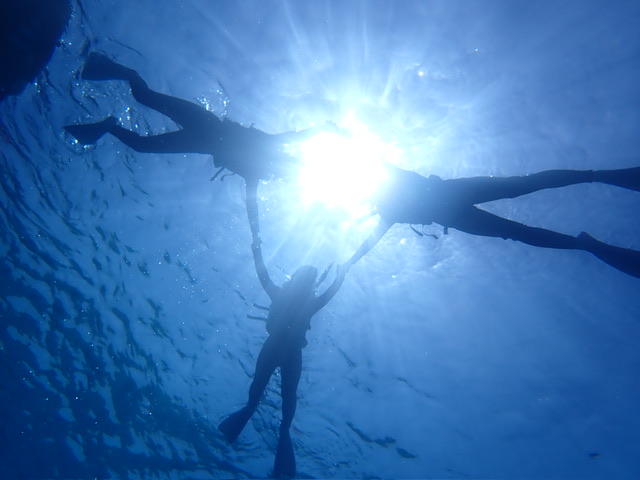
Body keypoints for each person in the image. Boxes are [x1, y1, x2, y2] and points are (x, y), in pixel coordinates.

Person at [218, 179, 348, 478]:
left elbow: (263, 273)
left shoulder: (292, 298)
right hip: (287, 351)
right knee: (274, 398)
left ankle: (268, 430)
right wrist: (340, 276)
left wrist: (257, 250)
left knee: (278, 398)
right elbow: (326, 292)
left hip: (278, 348)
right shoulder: (301, 300)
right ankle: (271, 431)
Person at [64, 52, 336, 182]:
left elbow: (252, 200)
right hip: (205, 124)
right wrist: (325, 130)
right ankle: (125, 72)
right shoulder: (269, 147)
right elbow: (294, 136)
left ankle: (109, 126)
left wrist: (256, 238)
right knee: (143, 97)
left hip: (200, 143)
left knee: (141, 145)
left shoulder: (256, 174)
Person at [348, 163, 640, 278]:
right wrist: (350, 262)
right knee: (520, 197)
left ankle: (584, 240)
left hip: (450, 203)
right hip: (450, 203)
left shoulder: (386, 189)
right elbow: (372, 239)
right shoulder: (387, 205)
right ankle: (585, 241)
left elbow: (371, 238)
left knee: (518, 206)